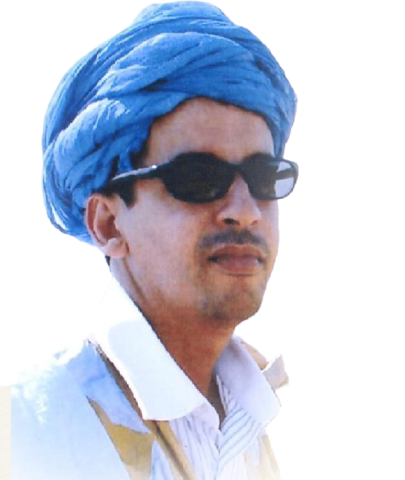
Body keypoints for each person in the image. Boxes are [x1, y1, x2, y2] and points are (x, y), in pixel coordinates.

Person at [11, 1, 299, 479]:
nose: (246, 210)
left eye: (264, 177)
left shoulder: (250, 415)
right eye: (199, 177)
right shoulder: (40, 424)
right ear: (108, 224)